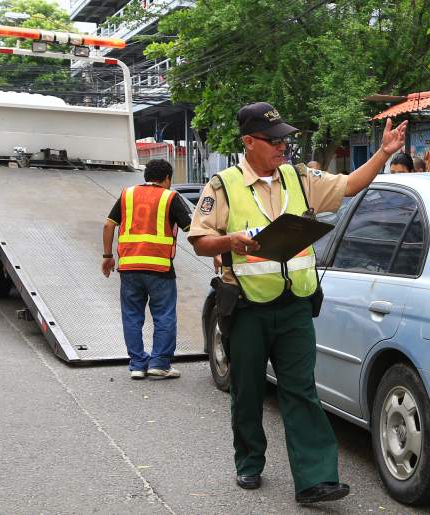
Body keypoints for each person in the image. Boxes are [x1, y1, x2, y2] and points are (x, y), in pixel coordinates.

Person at [188, 102, 406, 504]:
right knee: (248, 389)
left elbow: (349, 185)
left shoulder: (300, 177)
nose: (282, 147)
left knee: (301, 391)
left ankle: (315, 480)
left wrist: (383, 153)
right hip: (247, 307)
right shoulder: (223, 185)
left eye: (285, 139)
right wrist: (230, 241)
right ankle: (249, 460)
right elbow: (200, 240)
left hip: (295, 306)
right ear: (249, 142)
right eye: (273, 141)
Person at [101, 159, 191, 380]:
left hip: (130, 267)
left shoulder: (127, 195)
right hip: (160, 268)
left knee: (132, 316)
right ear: (167, 178)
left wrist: (107, 256)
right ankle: (159, 363)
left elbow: (108, 224)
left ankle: (138, 365)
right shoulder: (170, 197)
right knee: (164, 316)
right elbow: (191, 228)